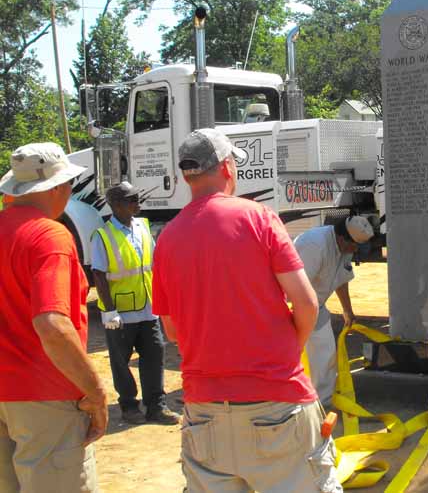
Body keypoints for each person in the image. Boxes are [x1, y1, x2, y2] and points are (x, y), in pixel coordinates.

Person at [152, 128, 335, 492]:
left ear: (186, 175)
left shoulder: (167, 239)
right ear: (226, 167)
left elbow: (172, 332)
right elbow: (306, 303)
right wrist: (289, 350)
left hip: (204, 412)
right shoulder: (259, 219)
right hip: (277, 404)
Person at [0, 142, 107, 491]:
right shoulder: (48, 235)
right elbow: (52, 323)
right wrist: (95, 391)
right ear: (59, 187)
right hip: (45, 394)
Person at [91, 181, 178, 425]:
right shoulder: (103, 235)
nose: (137, 203)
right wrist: (109, 311)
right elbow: (99, 274)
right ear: (117, 205)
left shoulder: (142, 226)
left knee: (154, 355)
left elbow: (153, 264)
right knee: (121, 361)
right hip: (121, 313)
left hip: (148, 309)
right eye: (132, 199)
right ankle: (129, 406)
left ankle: (156, 407)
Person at [293, 216, 375, 405]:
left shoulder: (345, 247)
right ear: (342, 238)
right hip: (294, 305)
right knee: (290, 355)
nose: (355, 251)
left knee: (326, 352)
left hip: (315, 305)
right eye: (355, 246)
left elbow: (342, 279)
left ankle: (322, 401)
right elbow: (297, 285)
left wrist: (348, 310)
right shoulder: (315, 245)